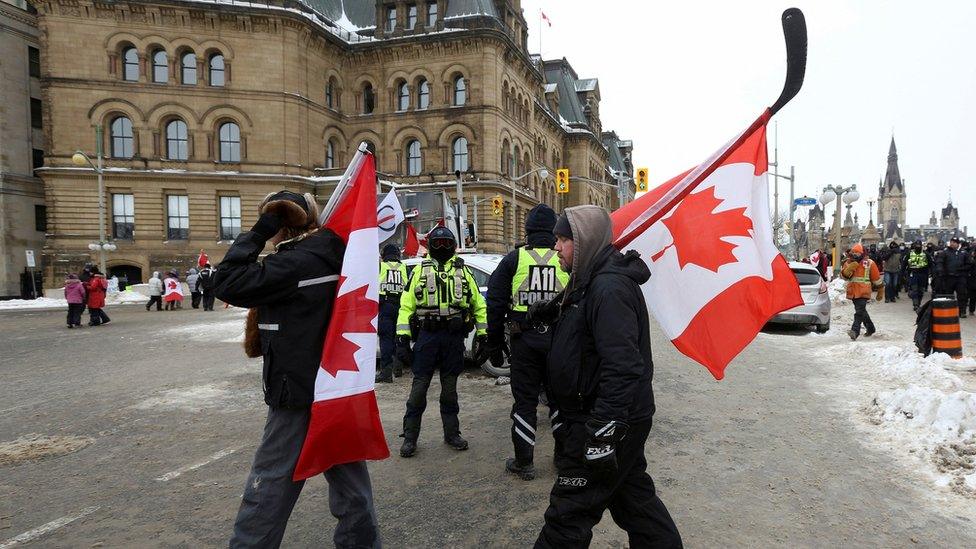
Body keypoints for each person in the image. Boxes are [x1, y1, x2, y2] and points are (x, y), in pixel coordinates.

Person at [214, 190, 380, 548]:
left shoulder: (295, 263)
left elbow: (225, 282)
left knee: (269, 485)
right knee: (353, 491)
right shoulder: (335, 252)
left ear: (281, 222)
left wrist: (260, 231)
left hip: (298, 392)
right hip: (336, 388)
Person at [530, 205, 682, 548]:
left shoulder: (609, 289)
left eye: (564, 239)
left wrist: (602, 431)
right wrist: (548, 312)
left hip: (604, 421)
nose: (556, 247)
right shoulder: (589, 284)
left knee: (568, 514)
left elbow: (623, 366)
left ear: (584, 241)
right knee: (635, 503)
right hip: (602, 417)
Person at [485, 204, 568, 481]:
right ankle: (563, 458)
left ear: (528, 230)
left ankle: (524, 462)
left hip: (525, 342)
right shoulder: (564, 258)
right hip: (558, 341)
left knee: (525, 403)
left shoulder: (514, 259)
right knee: (560, 401)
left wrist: (494, 345)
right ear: (554, 231)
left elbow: (495, 304)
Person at [395, 226, 487, 458]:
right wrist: (402, 339)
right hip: (427, 337)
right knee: (419, 388)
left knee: (449, 390)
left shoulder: (463, 271)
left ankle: (452, 433)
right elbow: (406, 306)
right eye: (438, 244)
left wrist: (484, 335)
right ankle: (410, 437)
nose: (443, 248)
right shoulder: (419, 271)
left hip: (453, 338)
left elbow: (479, 304)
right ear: (430, 246)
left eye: (447, 243)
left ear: (453, 246)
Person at [376, 243, 408, 383]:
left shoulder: (381, 267)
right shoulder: (404, 268)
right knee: (398, 338)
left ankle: (386, 373)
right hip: (401, 307)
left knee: (386, 340)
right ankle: (398, 368)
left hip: (386, 306)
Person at [841, 243, 883, 340]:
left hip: (864, 291)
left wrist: (880, 289)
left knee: (859, 312)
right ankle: (871, 328)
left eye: (857, 254)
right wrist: (848, 270)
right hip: (853, 291)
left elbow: (876, 278)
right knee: (862, 311)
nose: (855, 256)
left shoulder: (869, 263)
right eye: (853, 253)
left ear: (862, 253)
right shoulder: (848, 262)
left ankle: (855, 331)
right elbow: (843, 277)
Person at [937, 237, 972, 317]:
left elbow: (969, 264)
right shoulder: (945, 252)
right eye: (951, 242)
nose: (952, 243)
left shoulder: (964, 252)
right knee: (948, 295)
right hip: (949, 277)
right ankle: (948, 311)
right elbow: (940, 262)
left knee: (962, 295)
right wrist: (940, 270)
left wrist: (962, 269)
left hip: (960, 277)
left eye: (954, 242)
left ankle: (962, 312)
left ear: (958, 243)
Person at [906, 241, 930, 311]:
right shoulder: (910, 254)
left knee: (921, 291)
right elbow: (904, 264)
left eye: (919, 245)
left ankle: (918, 303)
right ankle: (915, 304)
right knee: (915, 290)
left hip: (923, 275)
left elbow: (931, 264)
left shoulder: (926, 254)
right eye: (917, 245)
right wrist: (901, 274)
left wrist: (932, 273)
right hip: (913, 274)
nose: (918, 247)